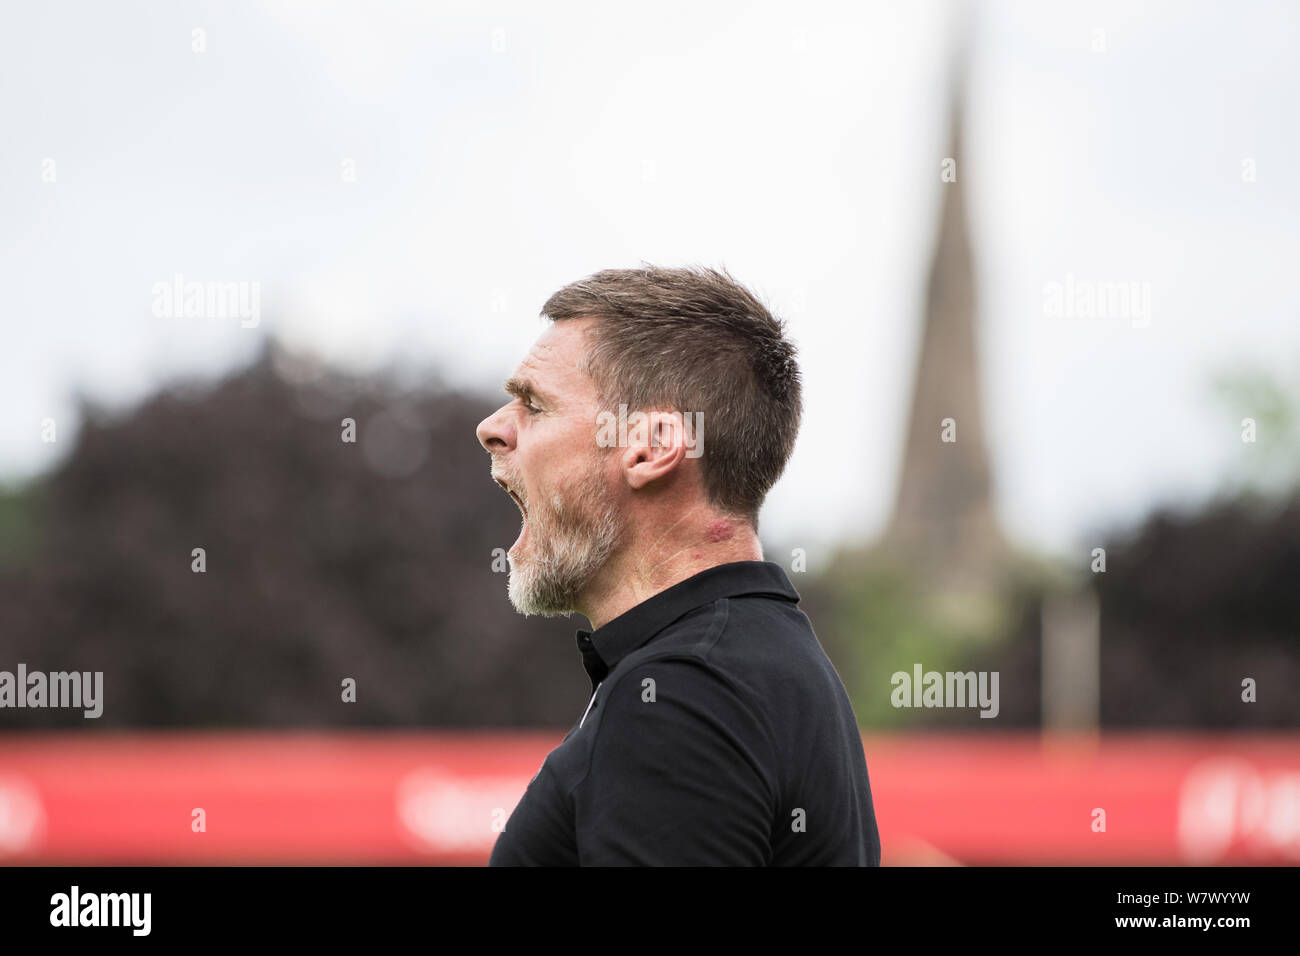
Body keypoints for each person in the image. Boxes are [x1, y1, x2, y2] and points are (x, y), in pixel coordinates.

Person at [475, 264, 881, 866]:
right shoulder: (760, 664)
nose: (493, 428)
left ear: (653, 447)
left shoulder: (681, 697)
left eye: (535, 403)